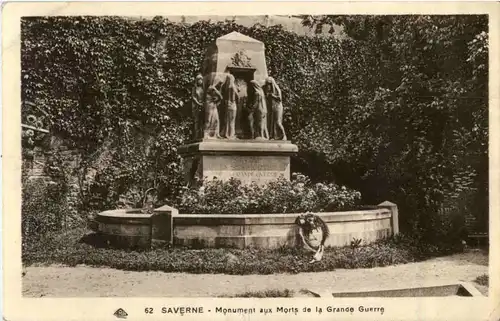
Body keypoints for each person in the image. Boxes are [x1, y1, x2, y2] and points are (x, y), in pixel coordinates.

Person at [223, 74, 238, 139]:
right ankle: (231, 134)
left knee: (228, 120)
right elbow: (235, 97)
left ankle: (228, 133)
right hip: (232, 105)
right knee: (232, 120)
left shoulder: (228, 87)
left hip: (229, 105)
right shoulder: (232, 87)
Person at [191, 74, 204, 139]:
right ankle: (196, 135)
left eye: (201, 79)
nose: (200, 81)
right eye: (199, 80)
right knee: (197, 121)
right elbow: (193, 97)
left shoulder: (203, 88)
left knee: (202, 121)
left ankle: (201, 134)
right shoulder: (194, 88)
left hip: (202, 105)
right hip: (196, 106)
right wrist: (198, 103)